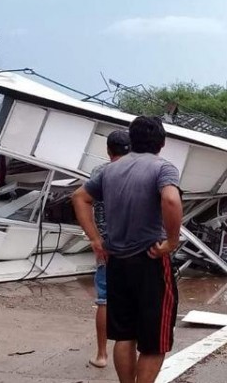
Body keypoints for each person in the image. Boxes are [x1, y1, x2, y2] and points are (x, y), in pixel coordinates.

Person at [72, 116, 182, 383]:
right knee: (154, 342)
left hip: (117, 261)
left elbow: (79, 197)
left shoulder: (110, 170)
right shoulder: (163, 168)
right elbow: (170, 199)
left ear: (131, 141)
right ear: (163, 142)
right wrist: (172, 241)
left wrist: (96, 240)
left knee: (125, 335)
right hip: (150, 259)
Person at [88, 130, 131, 369]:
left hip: (106, 243)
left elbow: (82, 199)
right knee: (132, 299)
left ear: (108, 150)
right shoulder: (138, 171)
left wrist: (95, 238)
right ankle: (129, 348)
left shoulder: (99, 173)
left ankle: (102, 354)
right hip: (134, 245)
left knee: (104, 300)